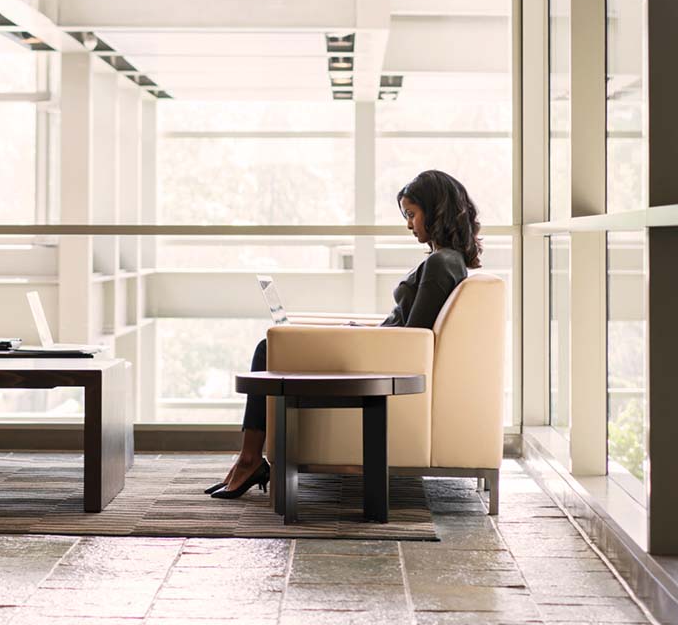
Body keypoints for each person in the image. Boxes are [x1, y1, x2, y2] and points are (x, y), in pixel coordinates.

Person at [207, 169, 483, 499]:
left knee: (268, 348)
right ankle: (249, 460)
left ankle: (249, 460)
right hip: (377, 352)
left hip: (378, 364)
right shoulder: (446, 260)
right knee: (274, 345)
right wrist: (363, 332)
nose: (409, 224)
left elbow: (413, 339)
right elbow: (407, 332)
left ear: (435, 210)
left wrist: (362, 339)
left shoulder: (442, 263)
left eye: (412, 214)